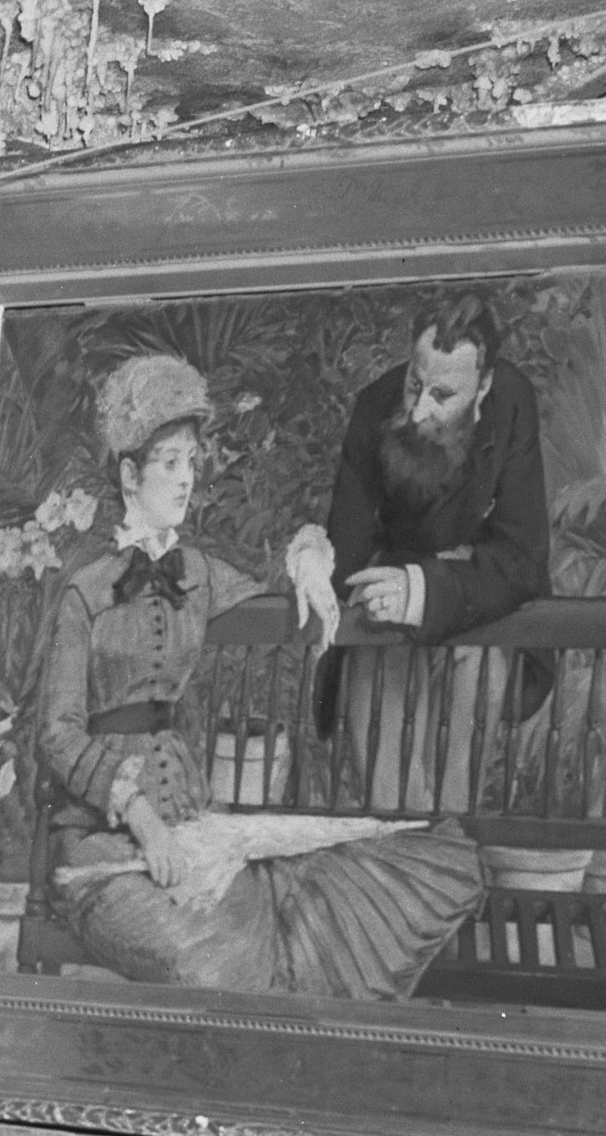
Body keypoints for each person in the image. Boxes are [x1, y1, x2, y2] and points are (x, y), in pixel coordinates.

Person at [37, 353, 483, 997]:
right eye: (169, 464)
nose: (186, 480)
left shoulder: (199, 571)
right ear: (130, 474)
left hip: (196, 828)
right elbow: (57, 734)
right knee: (221, 964)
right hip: (103, 850)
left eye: (191, 462)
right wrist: (139, 814)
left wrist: (307, 563)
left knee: (304, 923)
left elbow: (279, 574)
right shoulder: (85, 592)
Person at [312, 292, 551, 809]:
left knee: (450, 804)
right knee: (387, 801)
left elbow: (521, 557)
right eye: (415, 385)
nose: (420, 410)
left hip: (475, 611)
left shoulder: (511, 402)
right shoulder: (376, 406)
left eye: (443, 395)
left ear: (482, 386)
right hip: (381, 614)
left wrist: (423, 589)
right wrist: (315, 563)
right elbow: (347, 550)